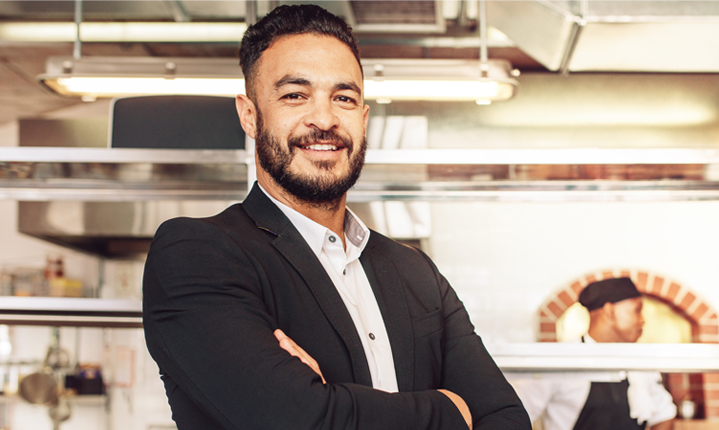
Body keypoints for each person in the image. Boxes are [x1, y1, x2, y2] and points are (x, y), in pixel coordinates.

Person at [141, 4, 530, 430]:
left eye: (343, 98)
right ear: (249, 115)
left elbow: (507, 419)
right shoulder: (197, 254)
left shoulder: (414, 272)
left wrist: (333, 401)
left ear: (363, 119)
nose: (324, 119)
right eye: (295, 95)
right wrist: (452, 410)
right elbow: (302, 419)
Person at [511, 277, 677, 430]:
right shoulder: (560, 359)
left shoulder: (637, 361)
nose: (642, 320)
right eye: (637, 310)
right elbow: (512, 416)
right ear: (609, 311)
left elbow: (664, 415)